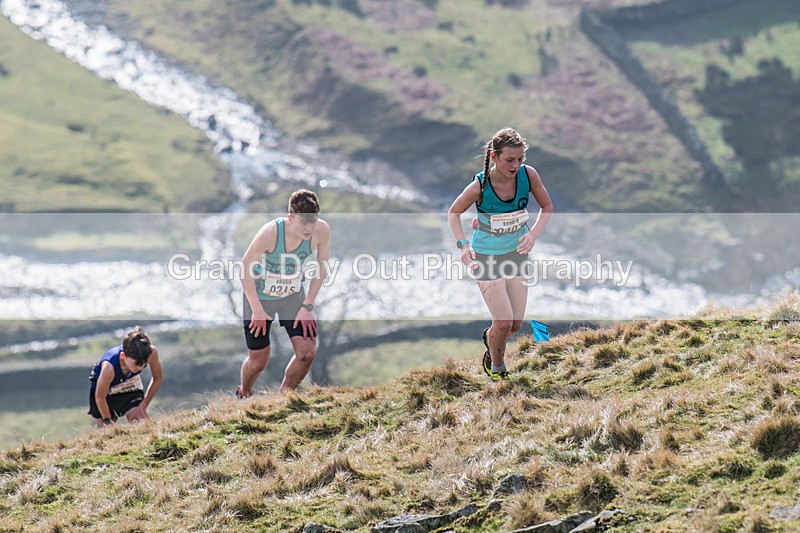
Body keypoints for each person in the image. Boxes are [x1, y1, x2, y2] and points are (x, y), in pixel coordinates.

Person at [447, 128, 553, 380]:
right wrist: (463, 245)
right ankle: (497, 369)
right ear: (494, 156)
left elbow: (547, 206)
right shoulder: (480, 185)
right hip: (485, 257)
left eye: (520, 159)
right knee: (504, 323)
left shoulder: (529, 175)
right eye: (509, 160)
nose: (516, 165)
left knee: (514, 325)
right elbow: (453, 213)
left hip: (517, 255)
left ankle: (489, 338)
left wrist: (533, 234)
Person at [237, 189, 331, 396]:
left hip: (292, 295)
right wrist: (257, 310)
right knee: (259, 361)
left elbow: (321, 268)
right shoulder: (270, 233)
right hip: (260, 297)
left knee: (307, 353)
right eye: (303, 222)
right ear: (290, 218)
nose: (308, 228)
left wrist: (307, 305)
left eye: (312, 222)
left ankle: (282, 399)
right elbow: (244, 267)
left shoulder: (321, 231)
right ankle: (244, 392)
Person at [88, 326, 163, 427]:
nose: (140, 368)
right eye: (136, 364)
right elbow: (100, 397)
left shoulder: (151, 353)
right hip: (105, 394)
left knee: (141, 421)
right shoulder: (108, 369)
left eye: (144, 364)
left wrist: (143, 406)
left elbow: (157, 378)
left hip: (129, 386)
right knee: (106, 431)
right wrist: (107, 420)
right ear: (123, 356)